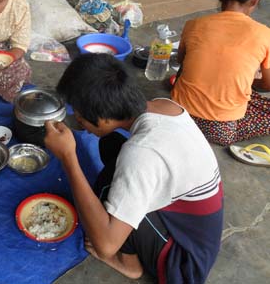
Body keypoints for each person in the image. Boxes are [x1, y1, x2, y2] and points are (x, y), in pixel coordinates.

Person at [44, 53, 223, 283]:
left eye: (81, 120)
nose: (82, 127)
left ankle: (129, 265)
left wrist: (68, 157)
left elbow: (107, 245)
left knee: (108, 190)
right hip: (193, 233)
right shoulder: (163, 106)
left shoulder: (141, 153)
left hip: (184, 262)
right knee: (111, 145)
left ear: (102, 117)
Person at [171, 0, 270, 146]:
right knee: (253, 100)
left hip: (179, 113)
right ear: (256, 0)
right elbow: (266, 84)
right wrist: (248, 80)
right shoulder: (264, 34)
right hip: (220, 130)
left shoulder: (194, 24)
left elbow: (181, 62)